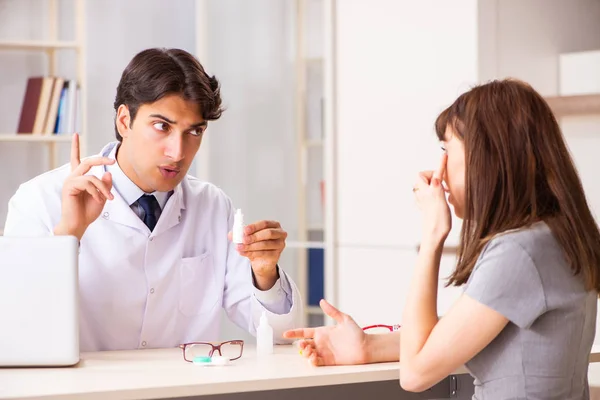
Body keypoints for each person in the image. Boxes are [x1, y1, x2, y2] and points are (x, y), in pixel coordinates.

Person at [284, 78, 600, 399]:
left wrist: (432, 234)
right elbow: (462, 331)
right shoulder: (555, 238)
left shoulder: (519, 253)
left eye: (446, 149)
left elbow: (415, 374)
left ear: (485, 155)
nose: (440, 170)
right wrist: (367, 346)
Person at [4, 48, 303, 352]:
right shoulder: (40, 199)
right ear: (124, 121)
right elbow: (15, 327)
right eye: (162, 126)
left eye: (194, 131)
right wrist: (68, 235)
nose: (178, 152)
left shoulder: (212, 205)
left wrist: (265, 274)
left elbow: (280, 334)